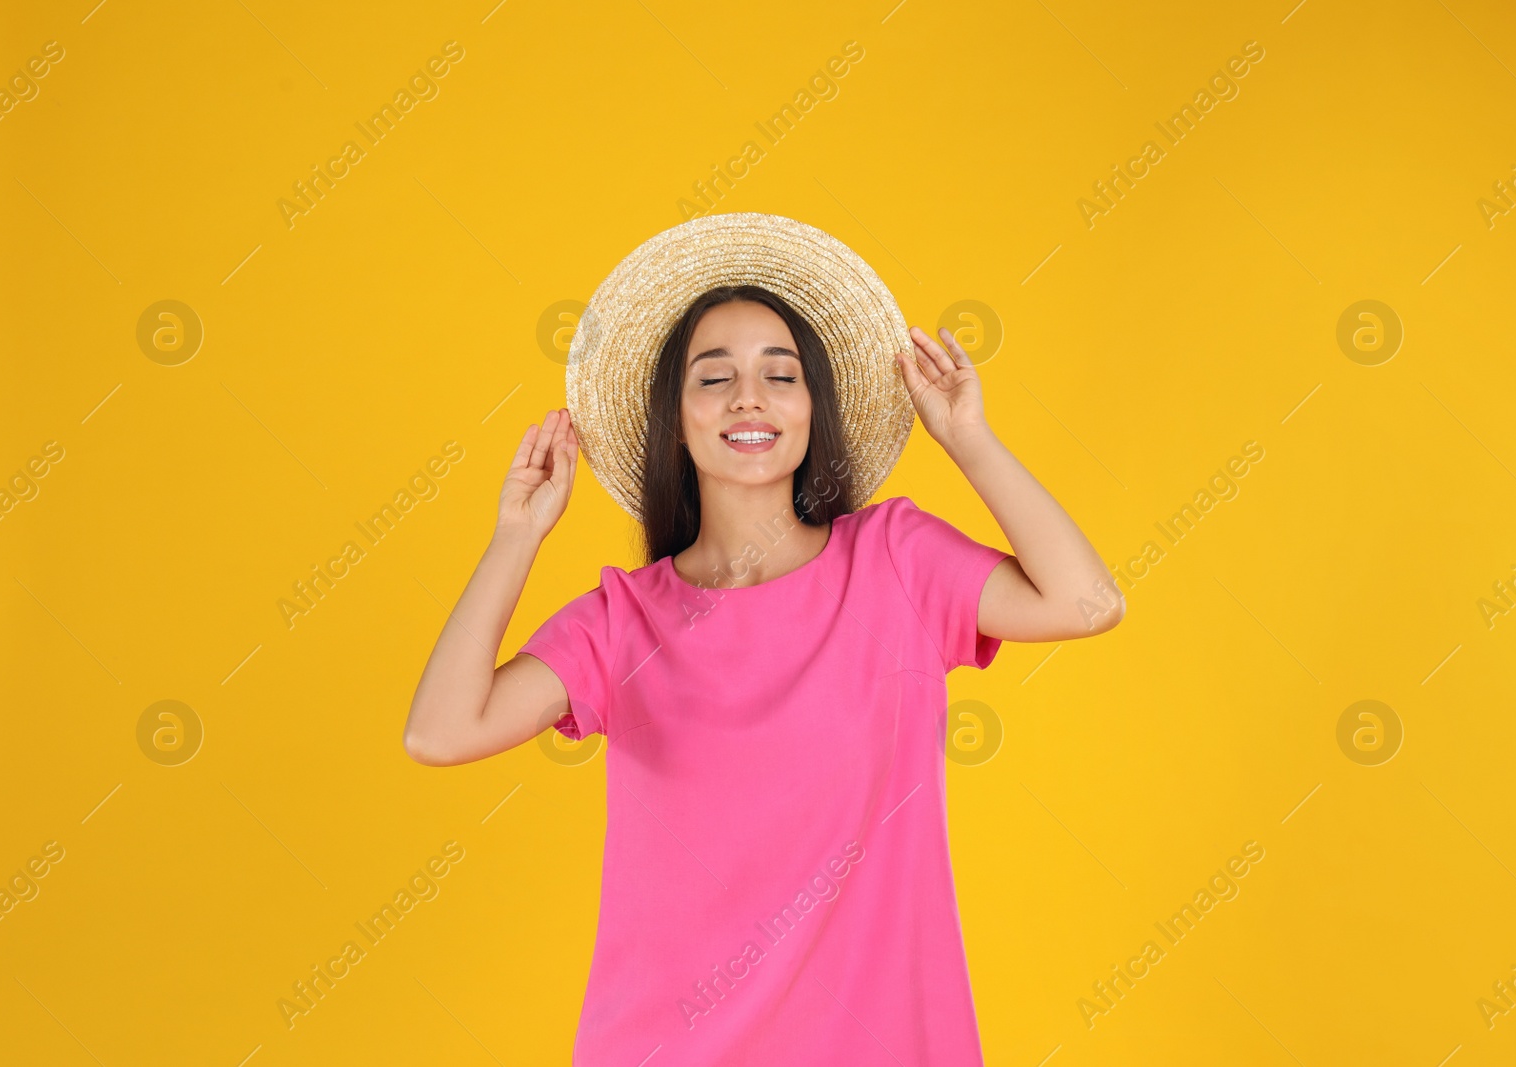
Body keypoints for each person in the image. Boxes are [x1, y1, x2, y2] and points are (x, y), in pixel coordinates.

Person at [402, 214, 1124, 1065]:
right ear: (675, 420)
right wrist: (515, 537)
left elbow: (1088, 603)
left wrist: (969, 438)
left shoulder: (894, 559)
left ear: (813, 410)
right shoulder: (621, 621)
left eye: (781, 375)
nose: (750, 397)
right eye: (715, 379)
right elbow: (439, 732)